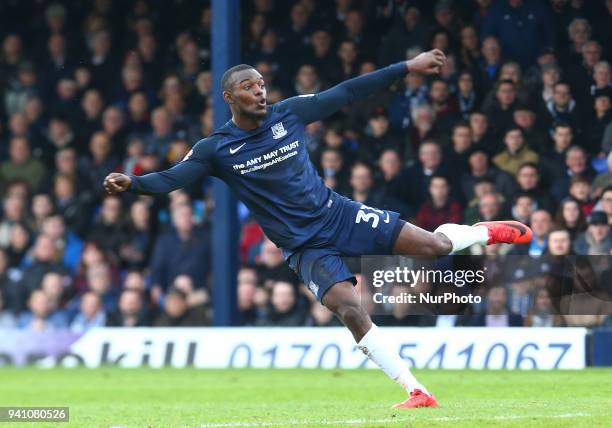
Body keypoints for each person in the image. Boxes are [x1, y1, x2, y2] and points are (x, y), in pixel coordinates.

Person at [104, 50, 533, 409]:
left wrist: (407, 66)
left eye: (261, 84)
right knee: (349, 308)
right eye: (249, 86)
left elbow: (346, 92)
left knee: (435, 245)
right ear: (228, 96)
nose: (259, 91)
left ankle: (482, 232)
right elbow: (173, 179)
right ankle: (416, 389)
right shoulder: (216, 149)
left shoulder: (288, 114)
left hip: (339, 215)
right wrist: (135, 183)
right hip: (304, 248)